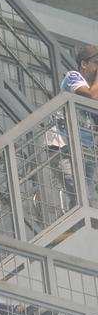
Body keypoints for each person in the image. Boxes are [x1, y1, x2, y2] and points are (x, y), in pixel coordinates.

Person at [61, 44, 98, 203]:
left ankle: (79, 226)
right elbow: (91, 96)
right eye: (97, 61)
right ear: (84, 64)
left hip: (86, 148)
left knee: (88, 195)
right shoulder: (73, 76)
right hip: (63, 144)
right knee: (77, 188)